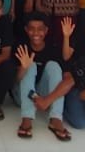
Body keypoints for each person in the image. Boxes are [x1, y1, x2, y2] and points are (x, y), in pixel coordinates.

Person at [14, 13, 73, 141]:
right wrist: (23, 68)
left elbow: (69, 80)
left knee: (54, 65)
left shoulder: (53, 49)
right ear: (26, 30)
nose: (36, 33)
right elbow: (15, 81)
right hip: (22, 95)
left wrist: (47, 100)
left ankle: (56, 118)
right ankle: (27, 118)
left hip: (43, 96)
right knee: (30, 65)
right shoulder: (21, 47)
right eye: (31, 29)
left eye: (40, 29)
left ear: (46, 30)